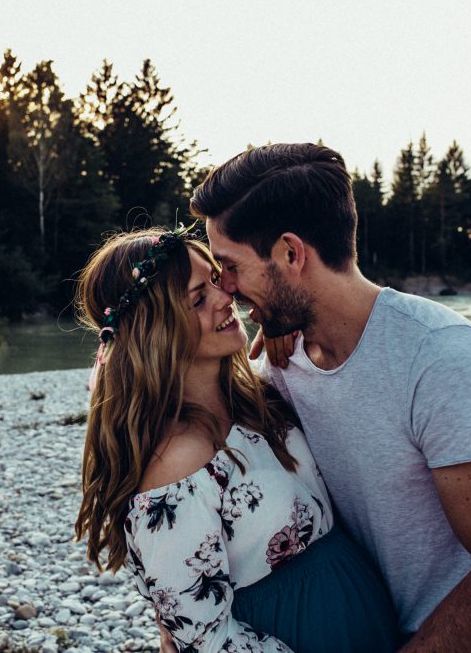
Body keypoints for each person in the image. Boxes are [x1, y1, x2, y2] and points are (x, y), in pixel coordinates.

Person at [188, 143, 471, 651]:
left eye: (230, 266)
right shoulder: (279, 361)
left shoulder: (443, 364)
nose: (226, 288)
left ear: (290, 254)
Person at [74, 227, 400, 652]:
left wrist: (285, 321)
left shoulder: (256, 397)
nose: (224, 295)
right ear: (157, 331)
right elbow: (205, 640)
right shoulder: (177, 463)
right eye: (197, 298)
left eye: (214, 278)